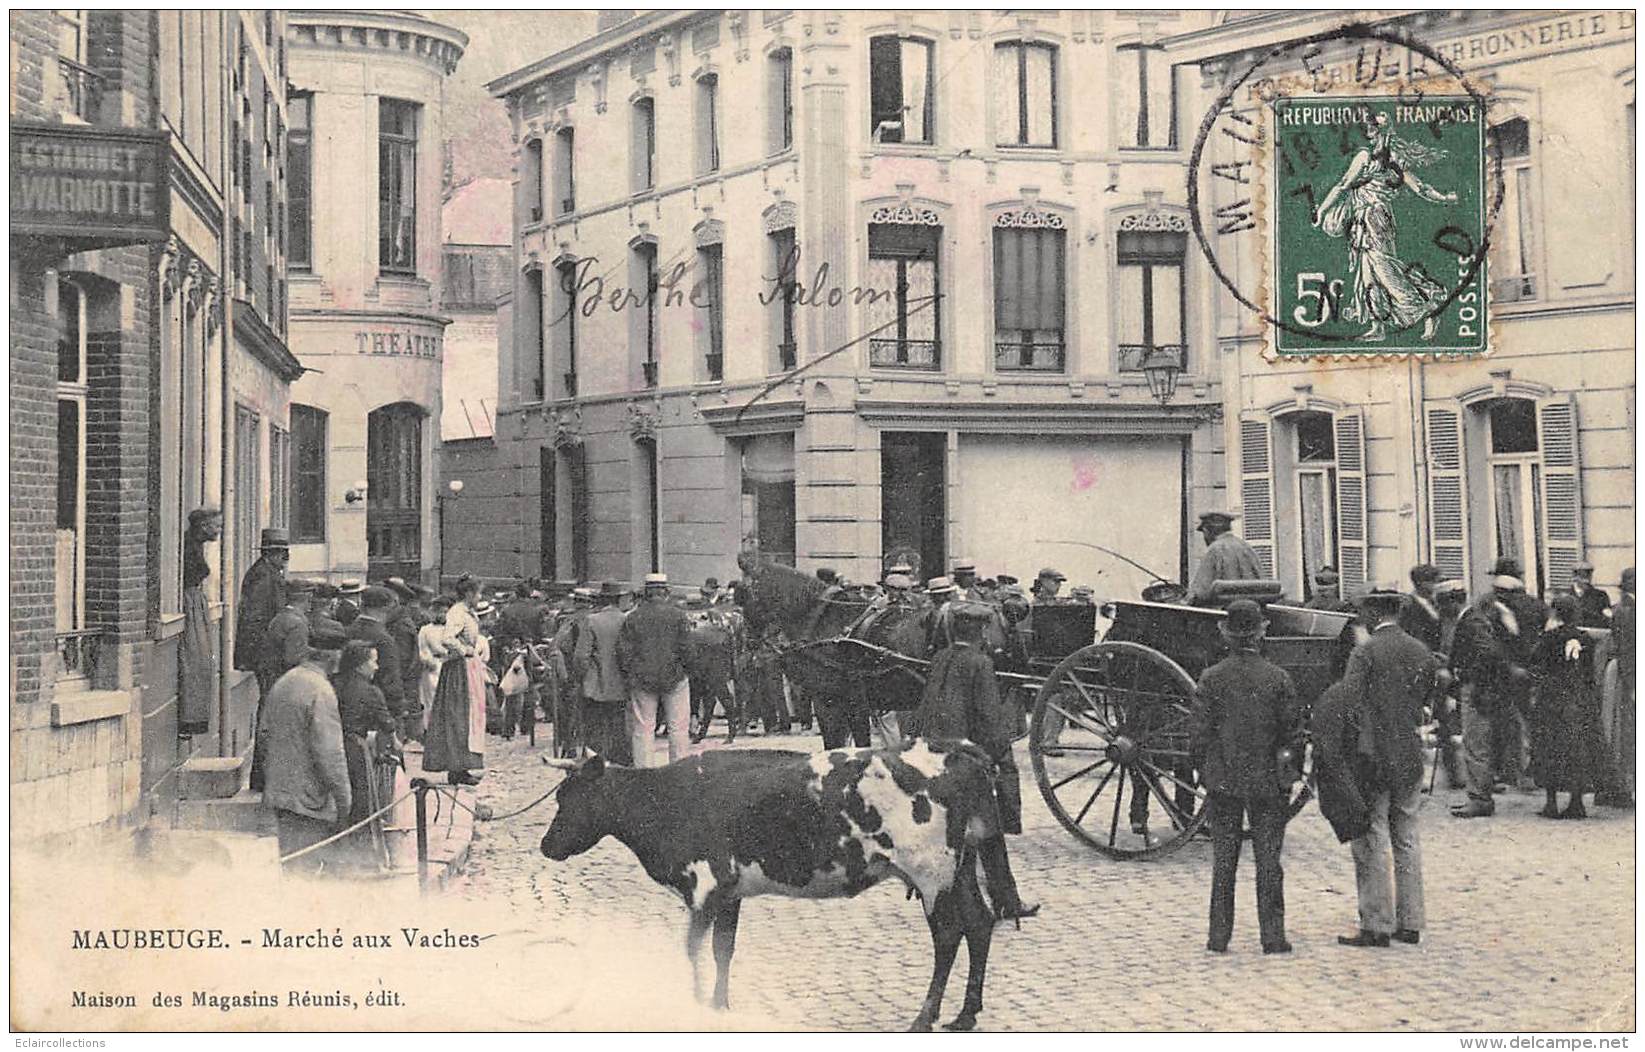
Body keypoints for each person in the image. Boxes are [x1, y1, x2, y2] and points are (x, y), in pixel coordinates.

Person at [904, 603, 1039, 924]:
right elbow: (990, 720)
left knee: (945, 834)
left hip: (936, 759)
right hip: (967, 764)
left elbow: (923, 711)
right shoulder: (981, 664)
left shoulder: (939, 659)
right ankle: (1006, 902)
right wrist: (996, 758)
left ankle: (941, 894)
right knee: (988, 835)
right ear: (982, 631)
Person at [1191, 599, 1303, 955]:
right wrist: (1289, 777)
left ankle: (1218, 937)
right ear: (1261, 631)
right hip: (1269, 783)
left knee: (1224, 862)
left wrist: (1207, 775)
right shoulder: (1278, 677)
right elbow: (1293, 735)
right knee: (1269, 862)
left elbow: (1199, 736)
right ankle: (1273, 936)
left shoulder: (1211, 678)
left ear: (1225, 632)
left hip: (1223, 782)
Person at [1337, 588, 1438, 948]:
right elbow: (1427, 699)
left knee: (1372, 838)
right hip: (1409, 753)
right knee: (1407, 836)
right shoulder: (1420, 650)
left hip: (1372, 756)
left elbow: (1350, 702)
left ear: (1375, 614)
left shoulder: (1364, 652)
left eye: (1365, 611)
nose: (1361, 617)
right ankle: (1411, 923)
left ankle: (1377, 924)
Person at [1311, 110, 1457, 342]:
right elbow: (1342, 185)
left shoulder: (1388, 161)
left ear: (1382, 133)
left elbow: (1419, 187)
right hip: (1361, 222)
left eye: (1374, 129)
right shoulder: (1366, 157)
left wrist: (1443, 198)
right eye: (1369, 129)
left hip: (1377, 220)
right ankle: (1377, 327)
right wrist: (1322, 209)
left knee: (1384, 270)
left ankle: (1428, 308)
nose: (1370, 133)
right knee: (1367, 276)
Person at [260, 625, 352, 872]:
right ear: (333, 656)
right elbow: (330, 755)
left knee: (291, 868)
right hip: (310, 802)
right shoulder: (321, 691)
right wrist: (345, 799)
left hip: (282, 794)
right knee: (308, 873)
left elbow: (265, 735)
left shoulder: (285, 681)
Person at [1530, 594, 1602, 820]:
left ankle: (1551, 803)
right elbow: (1590, 672)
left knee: (1550, 748)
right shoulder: (1586, 639)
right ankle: (1576, 802)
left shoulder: (1548, 638)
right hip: (1579, 699)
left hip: (1552, 700)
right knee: (1577, 750)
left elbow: (1536, 666)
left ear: (1556, 613)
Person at [618, 573, 694, 768]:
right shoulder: (678, 615)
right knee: (678, 727)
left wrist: (633, 674)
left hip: (643, 679)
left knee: (643, 728)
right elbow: (688, 649)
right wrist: (684, 670)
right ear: (666, 592)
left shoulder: (633, 617)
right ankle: (680, 770)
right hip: (674, 677)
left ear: (645, 593)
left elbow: (624, 652)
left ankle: (644, 771)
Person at [332, 639, 395, 860]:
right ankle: (363, 856)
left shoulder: (334, 683)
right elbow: (387, 724)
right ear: (360, 665)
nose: (376, 667)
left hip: (332, 745)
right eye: (373, 662)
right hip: (355, 749)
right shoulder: (370, 691)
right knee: (362, 801)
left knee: (337, 801)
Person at [424, 576, 487, 785]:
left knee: (468, 715)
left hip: (468, 668)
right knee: (459, 716)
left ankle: (462, 765)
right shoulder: (457, 613)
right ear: (468, 594)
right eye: (478, 593)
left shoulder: (467, 612)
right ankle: (456, 766)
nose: (480, 597)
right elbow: (447, 637)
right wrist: (464, 650)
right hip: (459, 670)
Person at [574, 581, 632, 765]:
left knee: (595, 728)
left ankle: (596, 764)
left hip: (595, 685)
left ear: (602, 599)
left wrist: (581, 678)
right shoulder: (627, 620)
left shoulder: (592, 620)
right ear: (618, 600)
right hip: (621, 684)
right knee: (618, 727)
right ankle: (620, 763)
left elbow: (581, 656)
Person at [180, 507, 223, 737]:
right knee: (195, 660)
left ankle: (194, 718)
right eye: (217, 526)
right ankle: (190, 719)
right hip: (190, 602)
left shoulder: (195, 545)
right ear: (204, 527)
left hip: (195, 601)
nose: (219, 531)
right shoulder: (188, 547)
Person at [234, 527, 289, 698]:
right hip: (264, 651)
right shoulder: (263, 576)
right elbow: (254, 616)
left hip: (266, 650)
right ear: (272, 554)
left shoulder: (267, 572)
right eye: (283, 556)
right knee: (270, 697)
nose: (285, 561)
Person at [348, 586, 408, 733]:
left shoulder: (350, 630)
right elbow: (391, 677)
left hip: (351, 700)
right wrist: (398, 709)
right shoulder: (384, 638)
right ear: (386, 607)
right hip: (379, 707)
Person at [1189, 511, 1263, 606]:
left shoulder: (1213, 549)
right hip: (1251, 610)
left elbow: (1200, 593)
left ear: (1207, 531)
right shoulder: (1246, 547)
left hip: (1222, 613)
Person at [415, 596, 459, 736]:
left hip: (450, 664)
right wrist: (429, 661)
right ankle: (431, 731)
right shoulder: (426, 630)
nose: (442, 615)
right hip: (433, 667)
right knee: (431, 700)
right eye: (439, 611)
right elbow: (422, 649)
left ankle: (449, 731)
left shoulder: (454, 629)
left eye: (445, 612)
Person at [1567, 563, 1613, 629]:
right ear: (1574, 577)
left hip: (1592, 634)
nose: (1586, 580)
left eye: (1588, 575)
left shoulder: (1600, 596)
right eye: (1582, 576)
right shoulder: (1565, 595)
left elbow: (1608, 616)